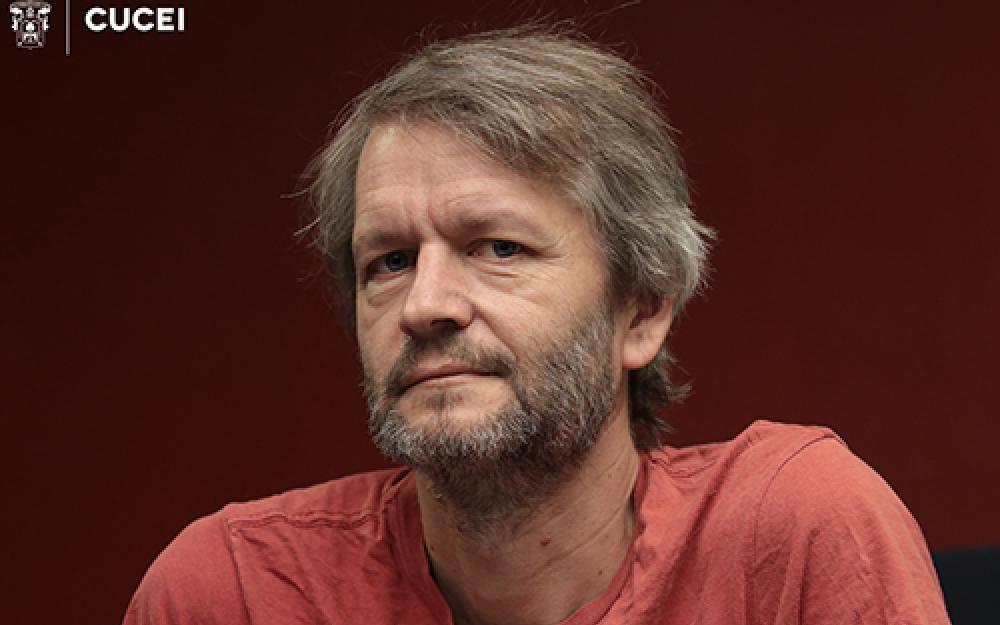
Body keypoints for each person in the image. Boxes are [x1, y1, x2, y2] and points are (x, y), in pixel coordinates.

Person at [124, 27, 950, 625]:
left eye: (499, 247)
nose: (425, 303)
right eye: (391, 260)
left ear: (642, 308)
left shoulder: (790, 538)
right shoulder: (232, 592)